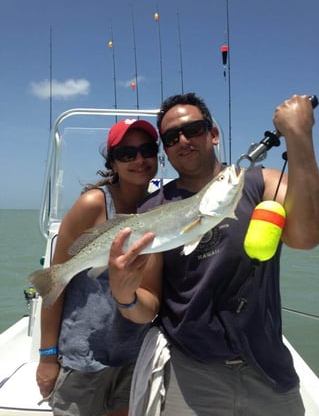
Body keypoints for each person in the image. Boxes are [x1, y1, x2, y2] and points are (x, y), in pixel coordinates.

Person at [108, 93, 319, 416]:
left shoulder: (260, 182)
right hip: (191, 372)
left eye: (193, 129)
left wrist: (300, 136)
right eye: (170, 137)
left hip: (268, 369)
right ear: (165, 149)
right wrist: (125, 297)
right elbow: (148, 304)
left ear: (213, 134)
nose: (183, 140)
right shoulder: (153, 210)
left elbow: (306, 238)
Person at [36, 118, 162, 416]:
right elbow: (55, 282)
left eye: (147, 150)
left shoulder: (160, 211)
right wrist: (47, 356)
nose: (139, 160)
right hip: (83, 357)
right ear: (113, 163)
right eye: (126, 154)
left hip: (133, 356)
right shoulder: (94, 204)